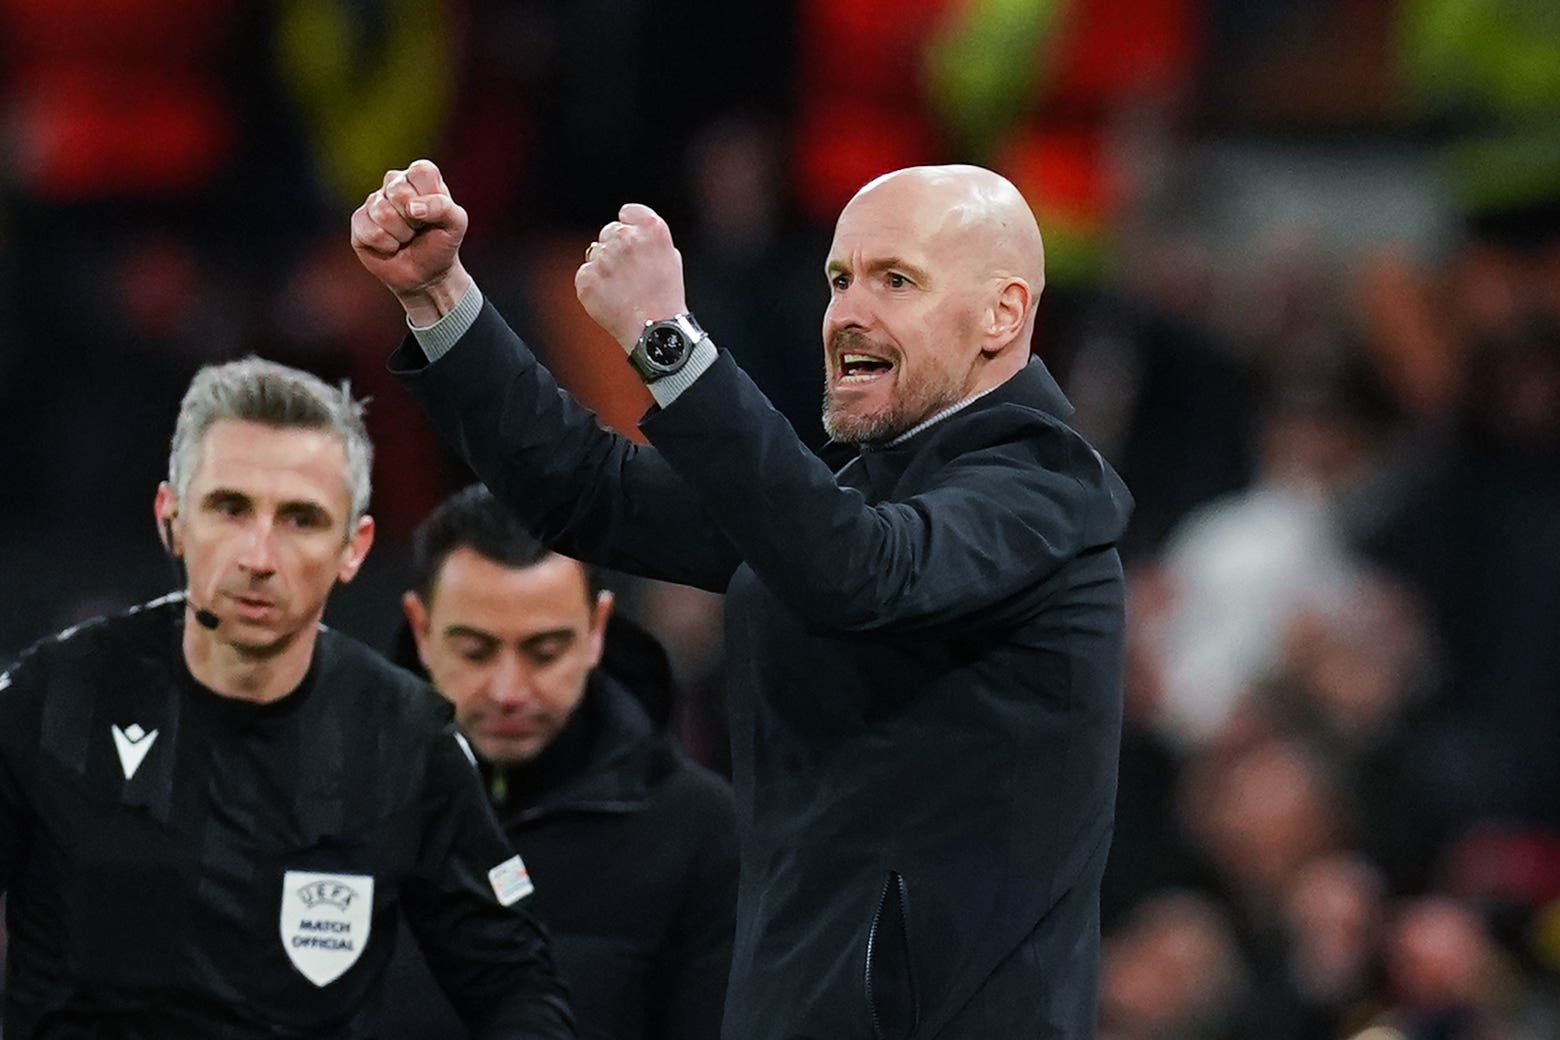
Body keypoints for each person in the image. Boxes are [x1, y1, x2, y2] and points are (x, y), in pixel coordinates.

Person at [354, 158, 1133, 1038]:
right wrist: (440, 299)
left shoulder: (1046, 488)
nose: (848, 312)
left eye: (897, 280)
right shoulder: (853, 502)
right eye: (840, 279)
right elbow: (589, 492)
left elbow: (861, 573)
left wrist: (666, 338)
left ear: (1004, 313)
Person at [0, 358, 574, 1039]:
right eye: (230, 508)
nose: (259, 556)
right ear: (172, 518)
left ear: (353, 547)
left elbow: (518, 988)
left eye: (301, 519)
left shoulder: (404, 740)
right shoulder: (54, 699)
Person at [379, 483, 737, 1040]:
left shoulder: (700, 831)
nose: (508, 690)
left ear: (597, 629)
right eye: (474, 650)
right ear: (421, 628)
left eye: (544, 652)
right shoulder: (334, 800)